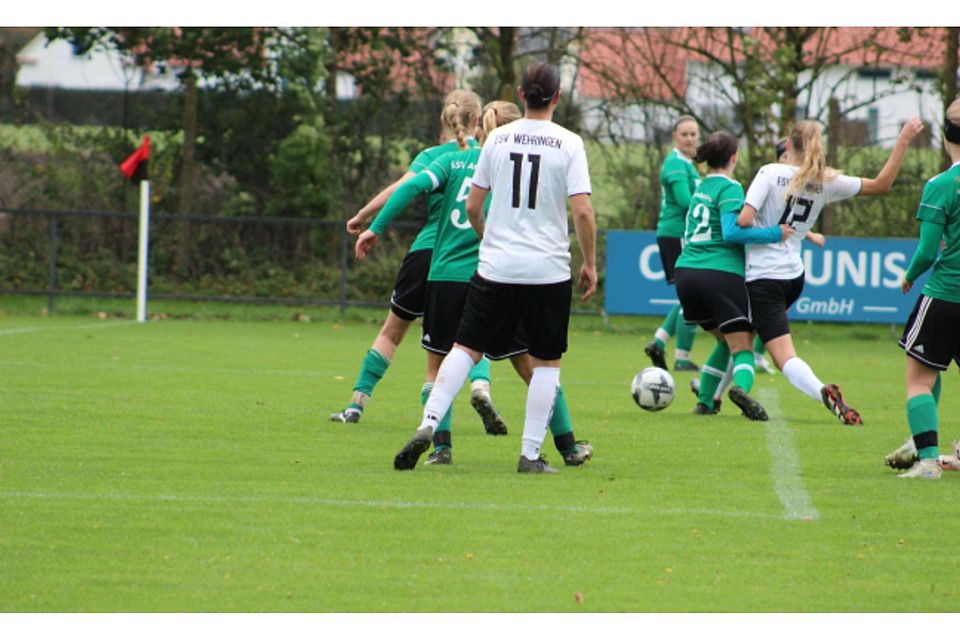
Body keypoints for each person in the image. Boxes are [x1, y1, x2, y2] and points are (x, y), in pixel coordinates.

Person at [359, 100, 593, 467]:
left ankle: (439, 444)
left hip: (445, 276)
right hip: (499, 274)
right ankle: (566, 446)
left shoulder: (452, 159)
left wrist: (373, 226)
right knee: (538, 367)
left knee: (445, 361)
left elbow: (413, 186)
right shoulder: (509, 160)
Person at [329, 90, 507, 437]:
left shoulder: (434, 156)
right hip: (466, 258)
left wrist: (365, 217)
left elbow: (403, 187)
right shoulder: (489, 158)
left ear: (445, 120)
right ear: (477, 120)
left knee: (391, 334)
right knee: (471, 336)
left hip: (424, 254)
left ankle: (355, 405)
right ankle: (480, 388)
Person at [738, 117, 924, 425]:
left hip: (764, 276)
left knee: (782, 357)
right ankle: (712, 392)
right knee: (747, 334)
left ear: (788, 144)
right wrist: (903, 139)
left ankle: (822, 391)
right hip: (793, 276)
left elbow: (744, 220)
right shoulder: (825, 180)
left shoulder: (769, 173)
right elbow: (881, 184)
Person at [673, 131, 794, 420]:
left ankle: (706, 402)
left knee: (724, 341)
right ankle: (740, 389)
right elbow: (730, 232)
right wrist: (774, 233)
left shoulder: (701, 186)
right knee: (743, 346)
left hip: (686, 273)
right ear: (734, 157)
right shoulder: (731, 188)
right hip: (719, 273)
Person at [882, 99, 960, 479]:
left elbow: (928, 251)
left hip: (946, 294)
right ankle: (921, 440)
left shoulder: (941, 185)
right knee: (932, 370)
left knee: (919, 379)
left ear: (946, 138)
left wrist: (909, 274)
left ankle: (927, 460)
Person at [644, 116, 701, 372]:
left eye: (693, 134)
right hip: (677, 234)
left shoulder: (686, 164)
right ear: (674, 137)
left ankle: (659, 343)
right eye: (684, 134)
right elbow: (685, 201)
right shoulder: (676, 163)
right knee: (693, 297)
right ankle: (681, 358)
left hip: (681, 234)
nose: (689, 139)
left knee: (690, 296)